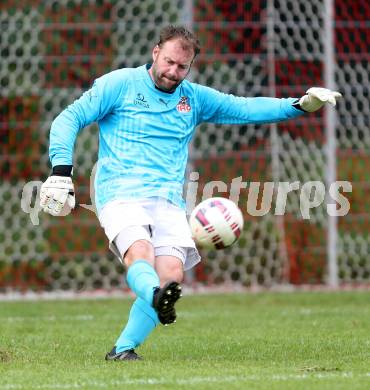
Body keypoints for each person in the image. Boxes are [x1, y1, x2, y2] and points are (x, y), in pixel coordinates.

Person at [39, 25, 342, 361]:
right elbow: (69, 118)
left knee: (171, 275)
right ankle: (154, 297)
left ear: (190, 66)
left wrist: (298, 105)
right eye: (168, 62)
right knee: (140, 254)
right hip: (119, 191)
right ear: (155, 52)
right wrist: (61, 171)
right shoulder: (120, 84)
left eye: (182, 67)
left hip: (168, 199)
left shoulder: (192, 98)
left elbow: (243, 108)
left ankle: (123, 350)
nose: (173, 72)